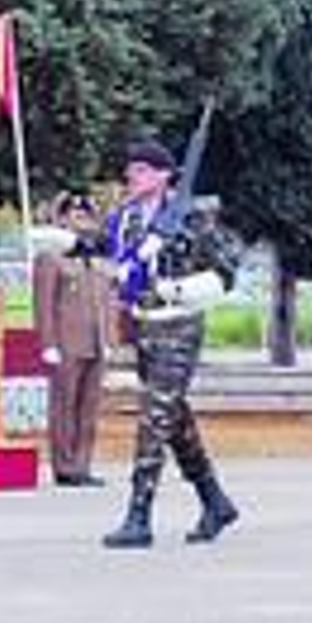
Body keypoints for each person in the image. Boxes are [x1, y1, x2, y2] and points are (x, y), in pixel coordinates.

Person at [102, 138, 240, 549]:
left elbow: (225, 273)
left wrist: (177, 290)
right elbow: (117, 259)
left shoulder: (192, 219)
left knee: (154, 418)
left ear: (164, 177)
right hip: (144, 325)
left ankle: (138, 515)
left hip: (179, 325)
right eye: (131, 169)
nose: (132, 176)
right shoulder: (126, 219)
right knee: (174, 420)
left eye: (142, 170)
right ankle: (215, 501)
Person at [32, 192, 113, 488]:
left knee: (89, 406)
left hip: (96, 341)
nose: (81, 221)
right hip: (66, 343)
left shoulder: (99, 258)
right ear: (62, 218)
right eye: (75, 215)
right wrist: (48, 344)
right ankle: (65, 466)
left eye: (86, 216)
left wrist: (109, 338)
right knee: (64, 406)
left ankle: (83, 463)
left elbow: (108, 302)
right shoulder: (51, 256)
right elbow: (43, 304)